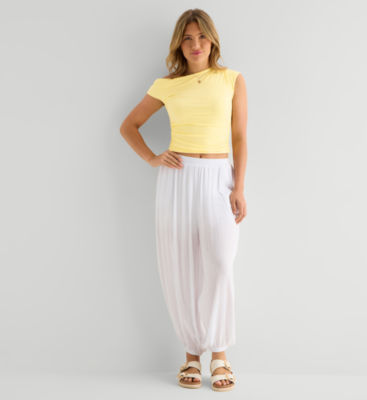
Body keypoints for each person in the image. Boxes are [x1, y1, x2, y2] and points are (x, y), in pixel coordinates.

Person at [120, 8, 247, 392]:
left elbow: (239, 137)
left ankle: (220, 354)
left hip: (218, 178)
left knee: (220, 262)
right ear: (179, 43)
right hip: (178, 178)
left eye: (202, 37)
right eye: (188, 38)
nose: (195, 44)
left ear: (212, 40)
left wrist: (239, 187)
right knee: (182, 267)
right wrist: (152, 157)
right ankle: (192, 354)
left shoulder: (231, 80)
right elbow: (129, 126)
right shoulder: (167, 85)